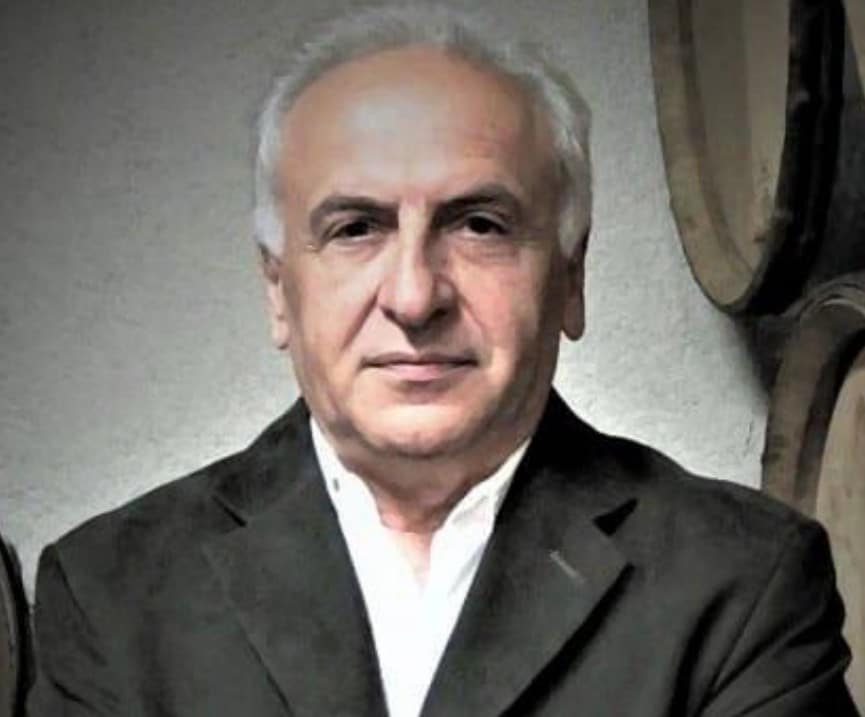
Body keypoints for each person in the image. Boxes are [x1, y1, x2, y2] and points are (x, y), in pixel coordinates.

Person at [27, 5, 857, 716]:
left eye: (478, 225)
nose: (414, 296)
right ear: (278, 289)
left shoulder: (741, 583)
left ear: (570, 278)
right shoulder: (111, 592)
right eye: (356, 228)